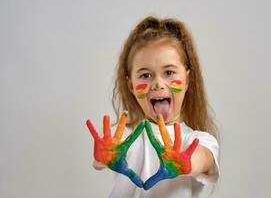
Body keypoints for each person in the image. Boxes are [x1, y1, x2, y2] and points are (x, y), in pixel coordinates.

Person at [86, 16, 220, 198]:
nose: (158, 83)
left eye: (169, 72)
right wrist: (104, 158)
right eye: (145, 75)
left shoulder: (197, 141)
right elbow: (102, 159)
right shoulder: (125, 137)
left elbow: (203, 158)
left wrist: (185, 162)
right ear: (131, 85)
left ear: (187, 80)